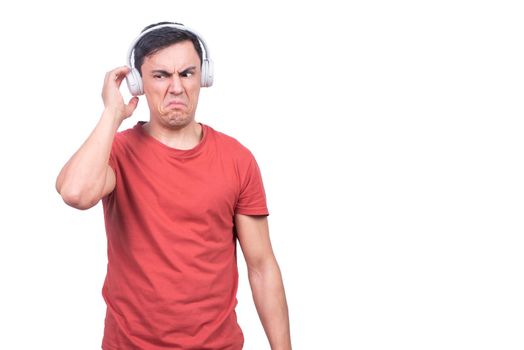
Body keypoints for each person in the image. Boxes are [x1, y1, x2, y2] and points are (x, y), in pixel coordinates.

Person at [55, 22, 291, 350]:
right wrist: (112, 113)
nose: (176, 87)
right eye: (161, 75)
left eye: (187, 73)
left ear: (203, 79)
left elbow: (262, 267)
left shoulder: (237, 159)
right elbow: (75, 193)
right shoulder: (116, 152)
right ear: (137, 82)